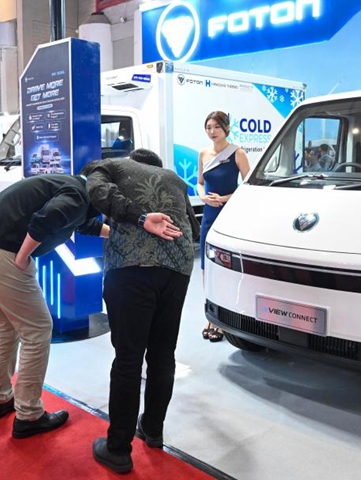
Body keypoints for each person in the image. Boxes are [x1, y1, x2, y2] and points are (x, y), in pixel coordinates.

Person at [0, 170, 117, 439]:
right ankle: (29, 414)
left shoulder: (70, 187)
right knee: (38, 329)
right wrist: (22, 258)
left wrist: (113, 234)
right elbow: (47, 219)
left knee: (7, 326)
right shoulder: (77, 196)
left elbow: (77, 221)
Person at [85, 149, 197, 475]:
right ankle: (153, 429)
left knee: (128, 359)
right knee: (163, 354)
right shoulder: (176, 180)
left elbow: (97, 190)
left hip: (132, 269)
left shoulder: (112, 165)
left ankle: (118, 449)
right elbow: (193, 226)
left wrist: (135, 218)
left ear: (132, 161)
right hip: (177, 270)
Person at [197, 111, 249, 342]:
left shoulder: (238, 153)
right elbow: (199, 183)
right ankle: (210, 315)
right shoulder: (203, 153)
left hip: (230, 214)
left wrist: (225, 199)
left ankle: (223, 318)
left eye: (216, 127)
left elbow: (249, 187)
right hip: (209, 214)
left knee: (225, 266)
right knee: (207, 268)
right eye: (208, 127)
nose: (212, 131)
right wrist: (204, 198)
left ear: (226, 128)